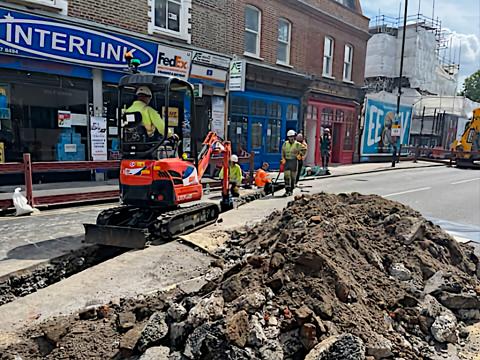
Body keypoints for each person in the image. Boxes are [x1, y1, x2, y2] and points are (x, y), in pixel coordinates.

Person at [281, 130, 301, 196]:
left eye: (292, 136)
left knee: (293, 177)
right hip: (287, 161)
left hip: (294, 161)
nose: (291, 138)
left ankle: (291, 190)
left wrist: (300, 155)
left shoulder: (297, 144)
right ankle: (287, 190)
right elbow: (283, 151)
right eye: (289, 137)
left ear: (294, 137)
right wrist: (283, 158)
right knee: (286, 176)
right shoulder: (285, 144)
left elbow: (304, 149)